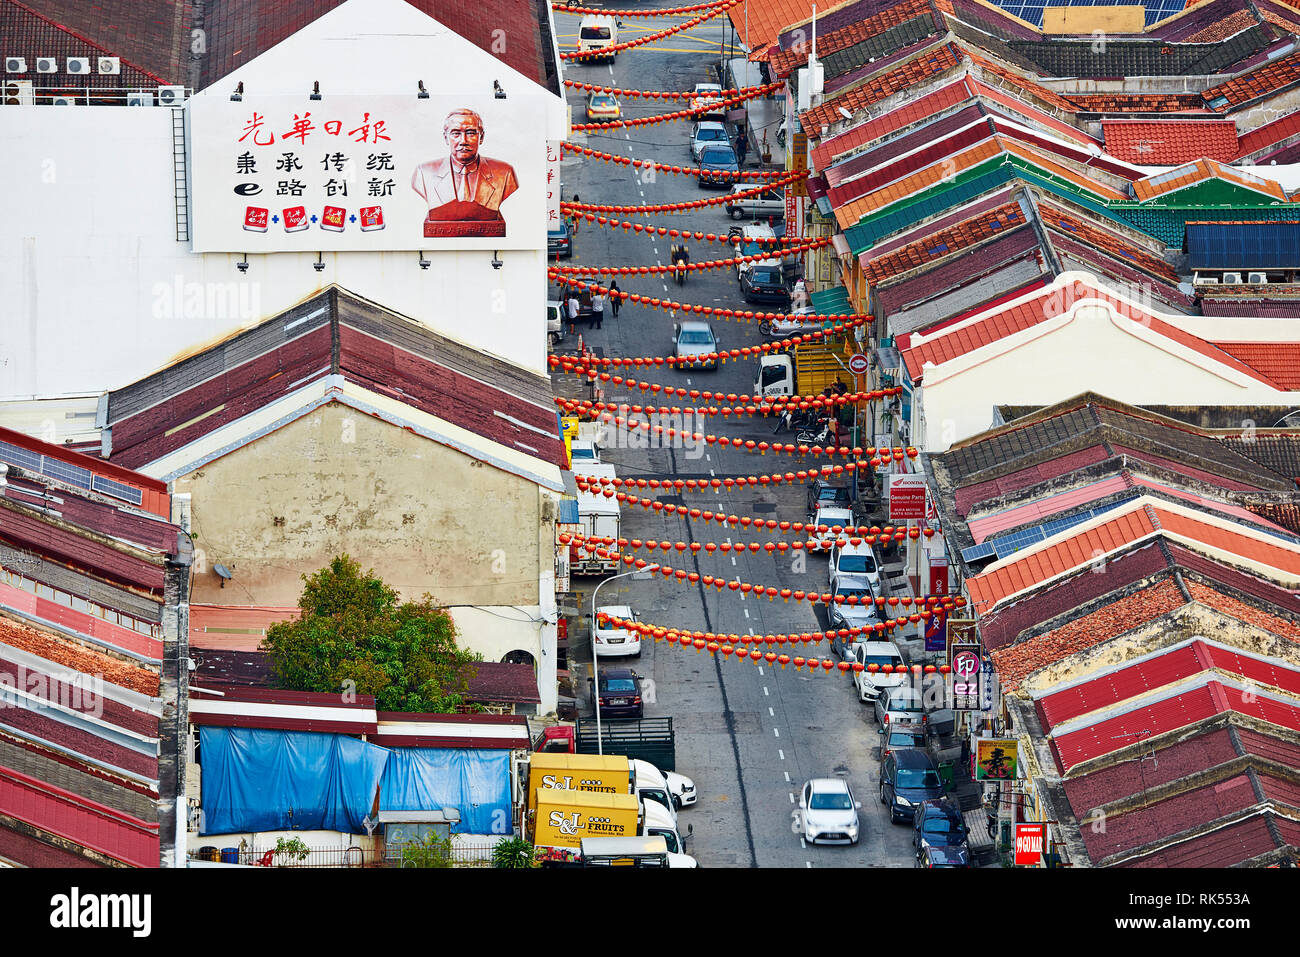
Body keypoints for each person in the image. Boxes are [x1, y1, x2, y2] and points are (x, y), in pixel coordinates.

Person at [411, 109, 519, 235]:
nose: (463, 141)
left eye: (471, 133)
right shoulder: (424, 173)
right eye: (456, 133)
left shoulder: (504, 173)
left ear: (481, 137)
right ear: (446, 138)